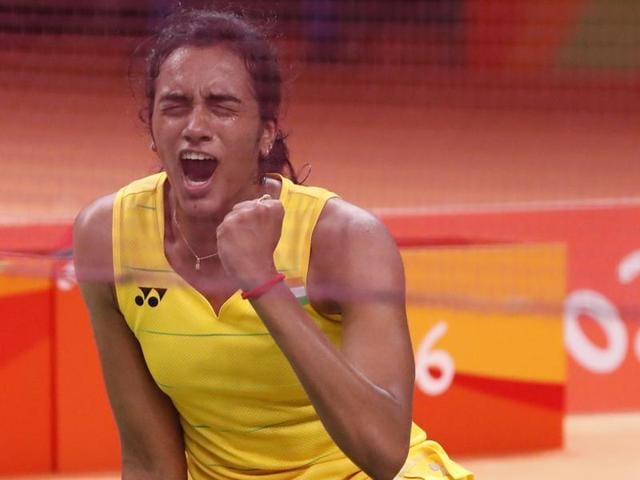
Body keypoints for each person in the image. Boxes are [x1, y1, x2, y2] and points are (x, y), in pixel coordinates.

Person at [73, 7, 473, 480]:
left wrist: (265, 284)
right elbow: (147, 458)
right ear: (152, 131)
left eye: (222, 106)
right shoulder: (109, 238)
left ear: (265, 135)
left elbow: (384, 450)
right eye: (175, 105)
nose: (195, 125)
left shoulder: (342, 240)